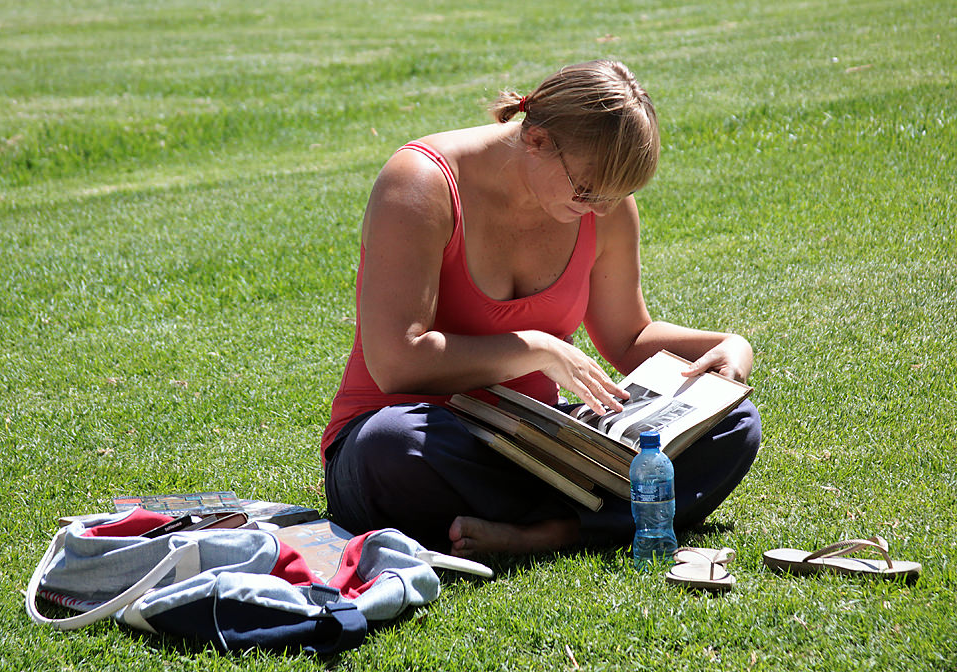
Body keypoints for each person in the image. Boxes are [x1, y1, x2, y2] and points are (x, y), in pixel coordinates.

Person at [320, 60, 761, 557]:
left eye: (617, 194)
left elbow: (628, 337)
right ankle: (591, 517)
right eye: (587, 189)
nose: (601, 208)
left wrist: (728, 345)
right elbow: (396, 362)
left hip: (536, 445)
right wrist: (535, 348)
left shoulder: (604, 204)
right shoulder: (421, 183)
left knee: (736, 425)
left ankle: (548, 533)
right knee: (391, 445)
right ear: (536, 139)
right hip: (423, 436)